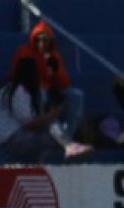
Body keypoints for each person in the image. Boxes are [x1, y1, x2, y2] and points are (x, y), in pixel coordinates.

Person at [7, 20, 89, 157]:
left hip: (50, 89)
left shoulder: (53, 55)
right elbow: (16, 75)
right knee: (47, 104)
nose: (41, 43)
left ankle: (66, 138)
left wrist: (54, 69)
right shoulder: (24, 52)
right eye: (38, 40)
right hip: (30, 90)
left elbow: (64, 82)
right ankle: (65, 143)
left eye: (45, 40)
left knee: (76, 96)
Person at [0, 57, 63, 163]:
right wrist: (52, 114)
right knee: (50, 139)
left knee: (56, 134)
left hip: (20, 134)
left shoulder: (32, 91)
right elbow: (28, 124)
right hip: (8, 137)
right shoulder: (17, 92)